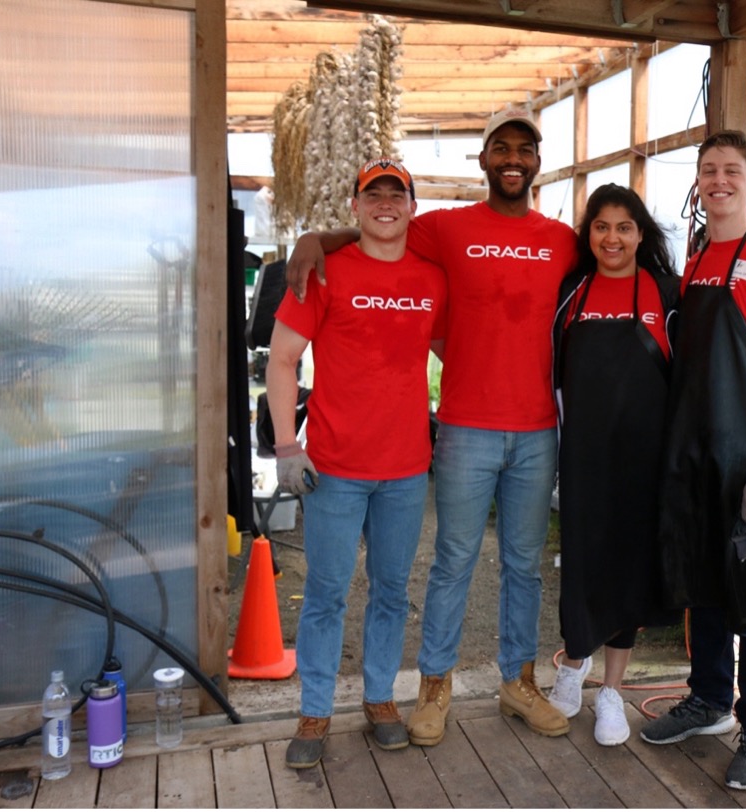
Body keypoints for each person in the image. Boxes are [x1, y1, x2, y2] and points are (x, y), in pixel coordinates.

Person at [285, 108, 578, 746]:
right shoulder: (443, 229)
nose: (511, 158)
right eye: (499, 147)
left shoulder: (562, 240)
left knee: (524, 566)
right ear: (482, 159)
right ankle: (435, 686)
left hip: (536, 431)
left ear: (536, 162)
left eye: (523, 149)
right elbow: (376, 230)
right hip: (465, 430)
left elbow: (613, 266)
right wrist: (315, 239)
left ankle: (517, 681)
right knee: (451, 564)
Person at [639, 131, 746, 791]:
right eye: (708, 170)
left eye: (731, 171)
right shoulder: (697, 260)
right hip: (695, 459)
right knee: (701, 585)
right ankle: (709, 699)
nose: (719, 180)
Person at [268, 157, 446, 769]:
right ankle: (314, 711)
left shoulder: (432, 278)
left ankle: (379, 699)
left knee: (393, 591)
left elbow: (457, 353)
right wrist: (286, 448)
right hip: (336, 468)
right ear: (356, 205)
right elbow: (282, 359)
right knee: (325, 592)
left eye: (398, 193)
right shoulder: (323, 270)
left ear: (412, 206)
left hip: (404, 468)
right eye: (375, 194)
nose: (386, 204)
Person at [548, 184, 681, 746]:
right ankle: (573, 666)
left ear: (641, 234)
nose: (612, 237)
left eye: (624, 227)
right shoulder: (571, 290)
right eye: (601, 226)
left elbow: (685, 380)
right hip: (582, 456)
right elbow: (552, 374)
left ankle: (611, 692)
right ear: (589, 234)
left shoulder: (664, 292)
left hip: (642, 461)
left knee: (627, 572)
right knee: (580, 563)